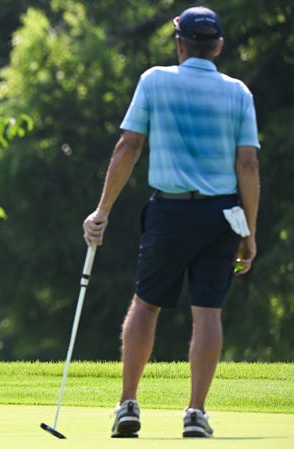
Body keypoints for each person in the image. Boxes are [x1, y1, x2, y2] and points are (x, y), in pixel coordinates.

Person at [82, 7, 260, 438]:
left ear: (178, 43)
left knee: (146, 304)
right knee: (207, 312)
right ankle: (195, 413)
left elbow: (128, 146)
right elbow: (249, 164)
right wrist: (249, 233)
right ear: (217, 46)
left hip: (169, 211)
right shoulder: (238, 92)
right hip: (222, 216)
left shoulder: (154, 81)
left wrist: (102, 209)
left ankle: (128, 405)